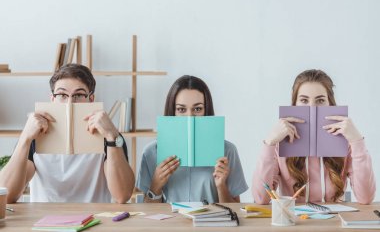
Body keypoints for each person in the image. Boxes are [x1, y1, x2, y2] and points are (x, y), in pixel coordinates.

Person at [0, 64, 135, 203]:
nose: (70, 102)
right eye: (62, 95)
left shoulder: (110, 136)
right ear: (52, 99)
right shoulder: (34, 136)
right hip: (44, 221)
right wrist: (25, 138)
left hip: (96, 220)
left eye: (79, 95)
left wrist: (112, 136)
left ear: (91, 98)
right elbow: (8, 195)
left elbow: (122, 195)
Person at [252, 69, 376, 204]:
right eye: (304, 100)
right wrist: (269, 143)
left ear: (330, 104)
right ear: (294, 105)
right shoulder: (280, 143)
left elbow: (366, 198)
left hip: (334, 222)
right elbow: (260, 199)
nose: (312, 108)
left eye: (320, 100)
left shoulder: (345, 142)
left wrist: (357, 141)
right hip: (295, 221)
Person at [136, 75, 248, 203]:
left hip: (210, 222)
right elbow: (147, 215)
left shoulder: (227, 150)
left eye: (197, 109)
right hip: (171, 222)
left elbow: (235, 210)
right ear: (173, 111)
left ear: (206, 111)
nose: (190, 117)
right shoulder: (151, 151)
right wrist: (155, 186)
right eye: (181, 109)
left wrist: (221, 186)